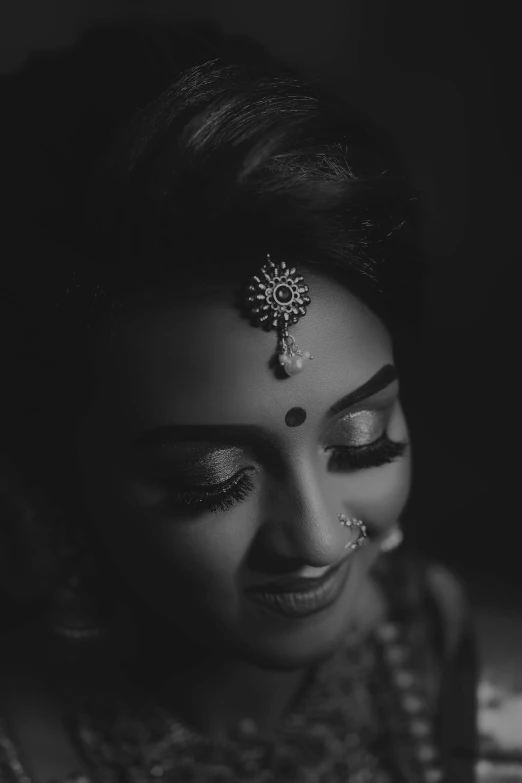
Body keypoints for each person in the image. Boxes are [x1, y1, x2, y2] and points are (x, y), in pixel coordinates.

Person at [0, 19, 477, 783]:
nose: (320, 538)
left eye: (362, 438)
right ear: (55, 479)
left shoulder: (487, 687)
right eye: (212, 478)